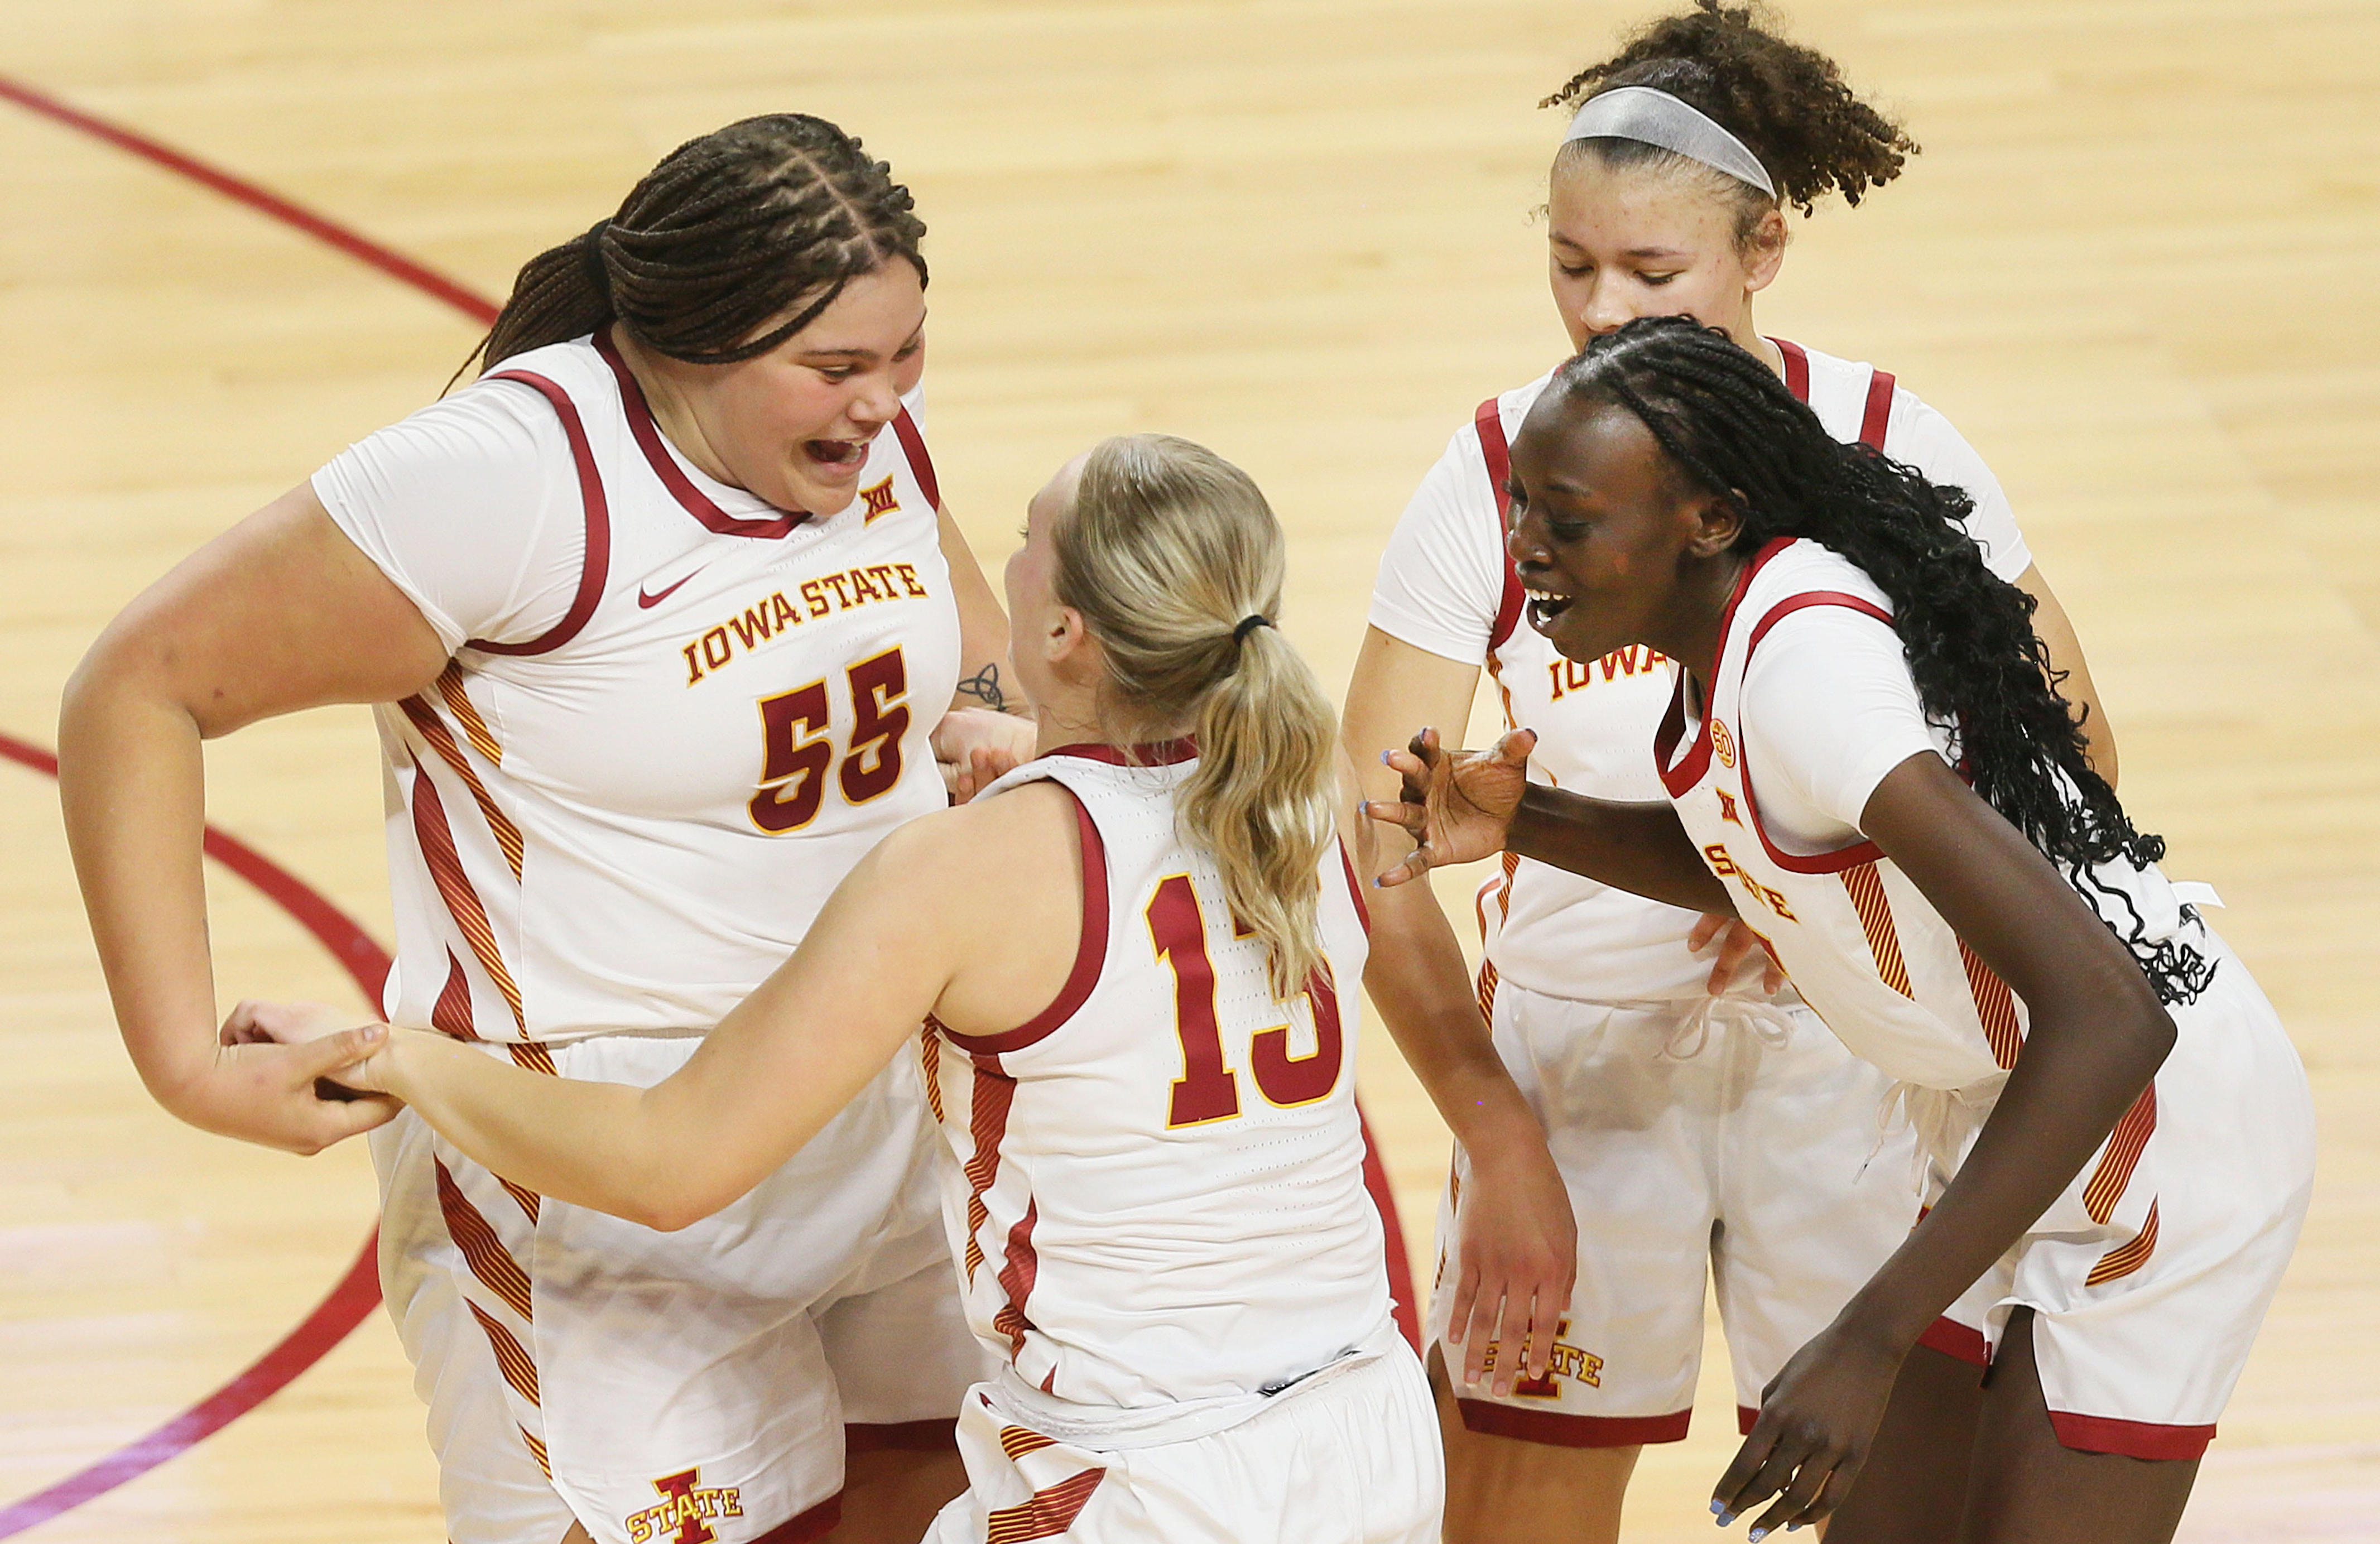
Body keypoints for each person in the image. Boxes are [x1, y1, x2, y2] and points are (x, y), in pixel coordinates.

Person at [57, 113, 1036, 1544]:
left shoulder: (856, 436)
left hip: (885, 1124)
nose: (885, 401)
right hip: (597, 1181)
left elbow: (969, 643)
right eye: (836, 369)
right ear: (689, 344)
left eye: (908, 354)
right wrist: (187, 1065)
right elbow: (136, 689)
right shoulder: (508, 483)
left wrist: (994, 724)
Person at [241, 434, 1444, 1544]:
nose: (1002, 567)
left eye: (1027, 543)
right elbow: (1151, 827)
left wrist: (394, 1055)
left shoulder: (967, 873)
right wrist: (1032, 754)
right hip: (1370, 1432)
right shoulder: (1303, 788)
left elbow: (669, 1159)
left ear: (1069, 631)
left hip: (1144, 1482)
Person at [1340, 8, 2121, 1537]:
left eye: (1649, 271)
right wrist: (1492, 1138)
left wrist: (1822, 904)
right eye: (1570, 265)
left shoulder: (1900, 447)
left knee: (1886, 1497)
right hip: (1575, 1070)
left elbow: (2075, 762)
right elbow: (1368, 847)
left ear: (1763, 247)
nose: (1595, 310)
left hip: (1857, 1075)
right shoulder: (1496, 465)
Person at [1371, 315, 2313, 1543]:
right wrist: (1527, 820)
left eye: (1568, 518)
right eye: (1520, 509)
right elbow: (1766, 851)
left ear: (1706, 519)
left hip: (2156, 1132)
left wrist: (1870, 1333)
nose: (1526, 550)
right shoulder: (1719, 642)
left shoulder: (1809, 667)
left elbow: (2112, 1009)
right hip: (2014, 1100)